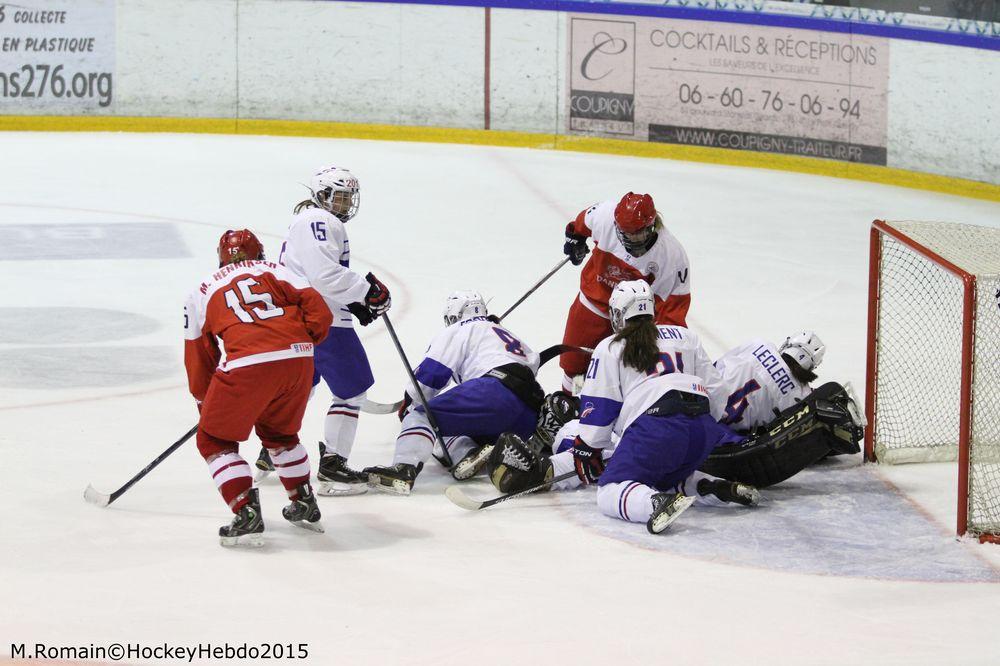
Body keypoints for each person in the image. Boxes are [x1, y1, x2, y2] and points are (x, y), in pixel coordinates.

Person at [567, 280, 756, 534]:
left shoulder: (611, 346)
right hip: (702, 429)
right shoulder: (685, 337)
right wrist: (692, 423)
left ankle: (654, 504)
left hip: (657, 428)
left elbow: (599, 410)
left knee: (610, 491)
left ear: (619, 314)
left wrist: (588, 448)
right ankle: (715, 487)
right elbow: (718, 392)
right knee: (662, 479)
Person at [183, 229, 333, 546]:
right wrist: (298, 342)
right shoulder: (280, 271)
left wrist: (204, 400)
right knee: (280, 435)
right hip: (298, 361)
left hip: (247, 365)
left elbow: (200, 355)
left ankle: (245, 510)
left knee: (214, 440)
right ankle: (303, 502)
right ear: (259, 252)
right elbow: (320, 313)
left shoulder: (201, 290)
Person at [255, 166, 391, 496]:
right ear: (323, 195)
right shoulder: (320, 220)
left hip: (302, 318)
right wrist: (364, 292)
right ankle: (333, 467)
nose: (345, 205)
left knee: (302, 386)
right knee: (352, 391)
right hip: (323, 321)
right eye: (339, 197)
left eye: (348, 198)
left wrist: (354, 301)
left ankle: (274, 449)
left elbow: (314, 274)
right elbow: (323, 274)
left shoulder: (307, 221)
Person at [364, 291, 544, 494]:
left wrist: (411, 403)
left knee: (423, 418)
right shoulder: (503, 332)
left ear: (453, 314)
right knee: (455, 425)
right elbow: (532, 365)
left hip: (494, 394)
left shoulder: (460, 328)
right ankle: (468, 454)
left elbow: (432, 373)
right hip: (528, 415)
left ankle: (403, 469)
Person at [560, 192, 691, 393]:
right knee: (573, 365)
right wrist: (575, 239)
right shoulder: (604, 215)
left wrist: (664, 345)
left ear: (651, 225)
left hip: (634, 324)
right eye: (626, 232)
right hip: (593, 304)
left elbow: (673, 310)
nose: (631, 237)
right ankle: (566, 406)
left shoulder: (671, 255)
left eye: (637, 233)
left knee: (626, 377)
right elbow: (581, 224)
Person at [710, 332, 825, 432]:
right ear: (811, 366)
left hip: (704, 403)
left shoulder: (761, 344)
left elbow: (717, 366)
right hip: (728, 432)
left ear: (788, 344)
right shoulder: (801, 395)